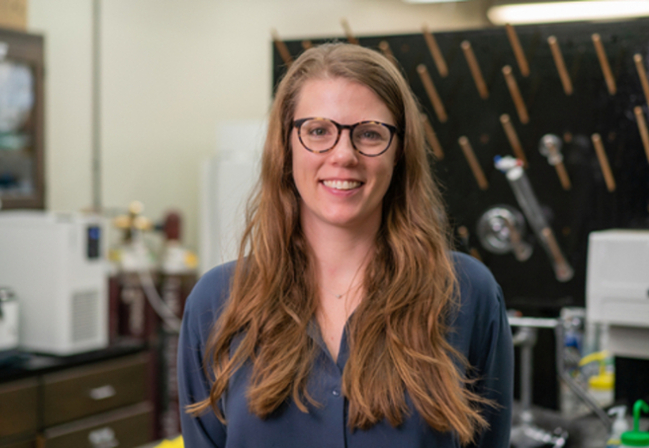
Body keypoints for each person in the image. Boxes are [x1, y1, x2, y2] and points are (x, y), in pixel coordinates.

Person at [178, 43, 513, 447]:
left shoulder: (465, 293)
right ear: (284, 147)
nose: (343, 155)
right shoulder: (217, 303)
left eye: (370, 134)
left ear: (400, 153)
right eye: (318, 131)